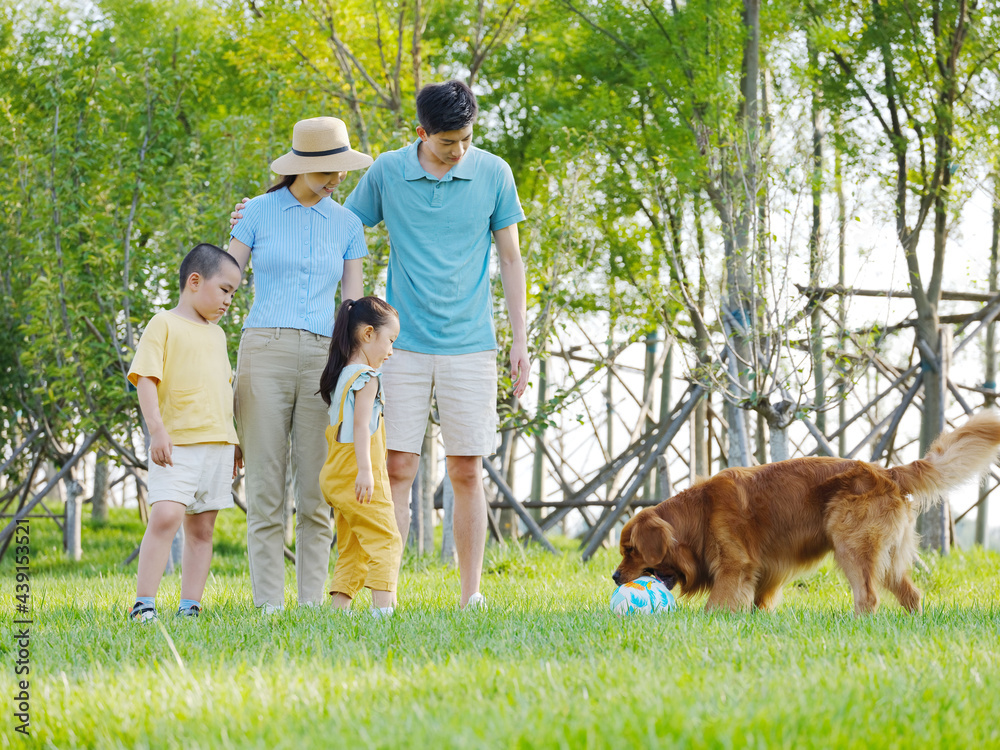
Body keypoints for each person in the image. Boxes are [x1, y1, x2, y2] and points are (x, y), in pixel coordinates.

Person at [233, 82, 529, 609]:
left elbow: (510, 259)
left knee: (466, 469)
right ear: (421, 133)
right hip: (398, 347)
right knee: (393, 468)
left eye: (465, 140)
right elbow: (329, 221)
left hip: (471, 343)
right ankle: (381, 597)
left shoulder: (495, 173)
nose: (458, 151)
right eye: (446, 142)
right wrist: (256, 216)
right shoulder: (387, 172)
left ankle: (471, 594)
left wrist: (519, 342)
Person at [227, 117, 373, 614]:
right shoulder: (258, 213)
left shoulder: (348, 225)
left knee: (317, 490)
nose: (337, 180)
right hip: (262, 351)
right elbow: (224, 283)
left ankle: (313, 604)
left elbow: (354, 311)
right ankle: (268, 604)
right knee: (266, 487)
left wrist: (359, 374)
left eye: (341, 170)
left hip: (322, 358)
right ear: (302, 166)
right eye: (328, 170)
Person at [127, 243, 244, 622]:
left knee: (203, 527)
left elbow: (223, 390)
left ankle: (190, 605)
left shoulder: (218, 335)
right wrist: (156, 429)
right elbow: (145, 378)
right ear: (195, 281)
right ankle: (144, 602)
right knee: (164, 516)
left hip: (218, 445)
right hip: (176, 443)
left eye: (233, 294)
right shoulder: (164, 323)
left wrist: (235, 440)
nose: (229, 300)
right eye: (224, 290)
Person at [317, 296, 403, 618]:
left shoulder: (342, 375)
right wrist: (366, 472)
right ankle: (383, 615)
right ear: (368, 334)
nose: (391, 351)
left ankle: (339, 612)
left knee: (352, 547)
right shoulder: (368, 377)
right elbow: (362, 427)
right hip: (360, 475)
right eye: (390, 341)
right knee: (387, 540)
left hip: (335, 476)